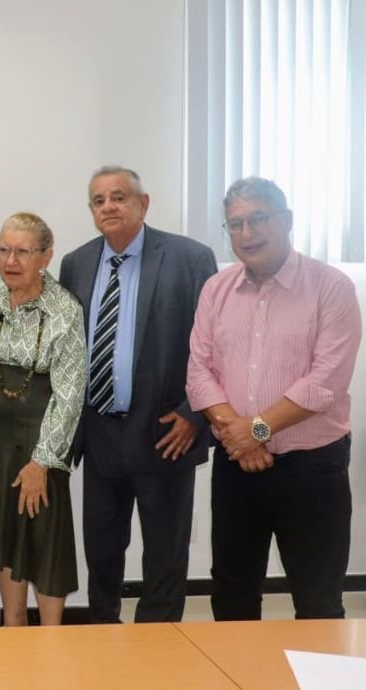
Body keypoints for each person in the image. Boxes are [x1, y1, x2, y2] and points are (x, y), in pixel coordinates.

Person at [187, 177, 361, 621]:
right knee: (232, 594)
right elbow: (199, 370)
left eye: (258, 219)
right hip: (236, 466)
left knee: (318, 598)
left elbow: (326, 382)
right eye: (235, 224)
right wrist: (238, 436)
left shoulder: (331, 287)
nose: (247, 234)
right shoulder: (216, 289)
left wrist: (255, 430)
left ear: (285, 221)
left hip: (311, 469)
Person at [59, 165, 217, 623]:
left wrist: (194, 413)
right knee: (102, 551)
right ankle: (102, 636)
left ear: (143, 204)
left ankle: (160, 644)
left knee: (165, 553)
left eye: (119, 197)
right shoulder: (77, 263)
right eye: (98, 200)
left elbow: (212, 344)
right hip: (100, 430)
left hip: (168, 431)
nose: (108, 206)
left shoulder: (190, 258)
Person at [0, 212, 86, 626]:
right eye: (4, 250)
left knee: (44, 540)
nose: (11, 260)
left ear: (46, 256)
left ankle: (51, 635)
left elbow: (69, 394)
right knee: (4, 536)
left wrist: (42, 461)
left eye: (22, 251)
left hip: (39, 440)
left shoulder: (65, 309)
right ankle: (12, 625)